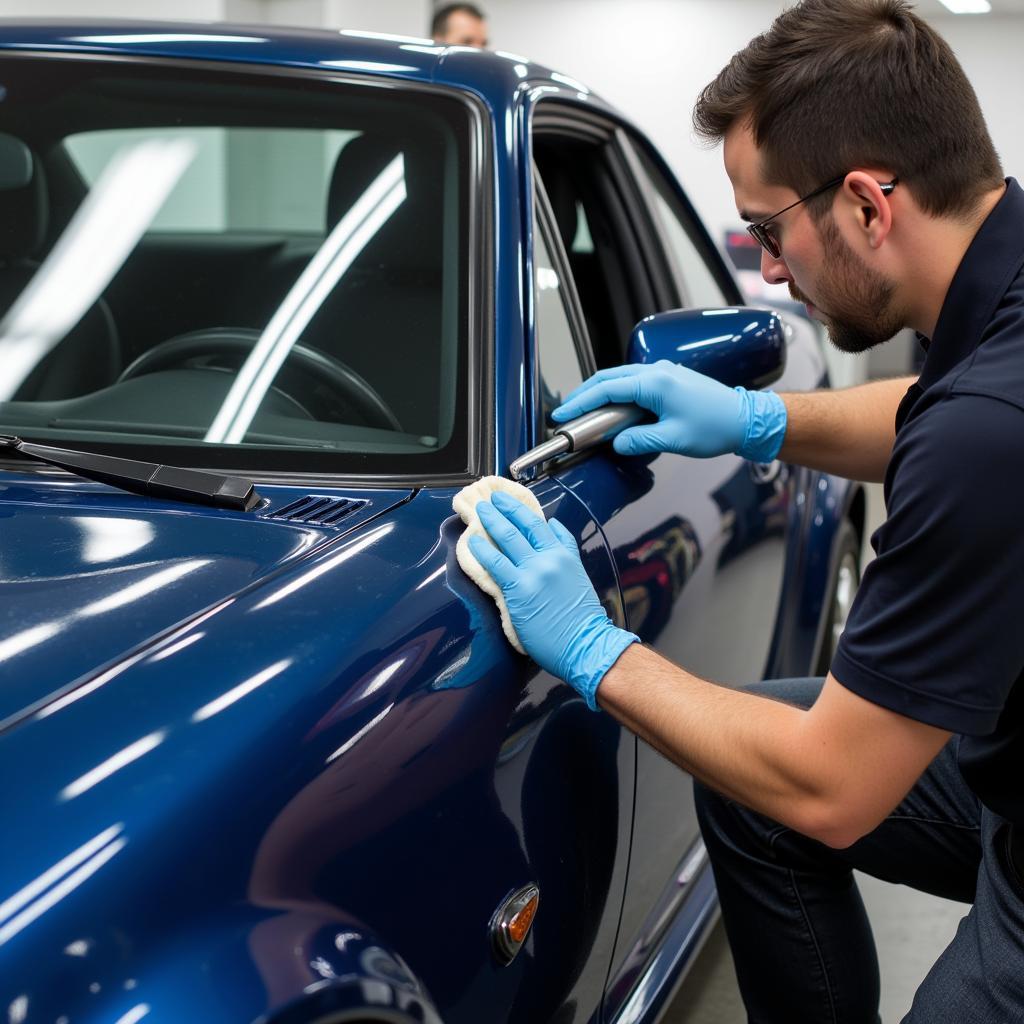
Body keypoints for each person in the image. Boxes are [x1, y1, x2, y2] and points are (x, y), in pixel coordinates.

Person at [466, 1, 1024, 1020]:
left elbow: (831, 787)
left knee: (789, 782)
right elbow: (933, 411)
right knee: (744, 780)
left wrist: (594, 650)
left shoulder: (988, 429)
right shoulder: (1003, 299)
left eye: (770, 231)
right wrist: (752, 419)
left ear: (866, 204)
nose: (767, 270)